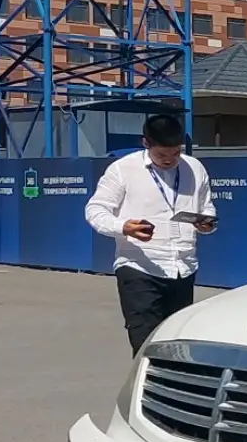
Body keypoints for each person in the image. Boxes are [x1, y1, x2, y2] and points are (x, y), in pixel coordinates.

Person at [84, 114, 216, 351]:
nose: (170, 160)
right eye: (162, 155)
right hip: (139, 266)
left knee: (176, 342)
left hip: (183, 267)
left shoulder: (195, 168)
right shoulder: (123, 169)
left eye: (175, 153)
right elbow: (95, 210)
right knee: (145, 341)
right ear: (146, 143)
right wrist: (123, 226)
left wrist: (206, 223)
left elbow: (206, 207)